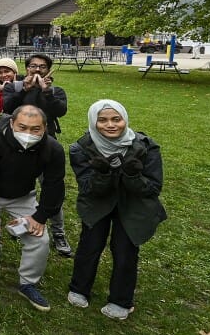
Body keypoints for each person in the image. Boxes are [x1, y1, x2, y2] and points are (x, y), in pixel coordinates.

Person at [67, 100, 166, 320]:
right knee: (90, 245)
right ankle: (79, 288)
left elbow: (153, 188)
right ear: (94, 122)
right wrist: (102, 174)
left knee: (125, 250)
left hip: (133, 204)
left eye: (116, 119)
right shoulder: (81, 148)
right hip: (97, 204)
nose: (110, 125)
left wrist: (133, 177)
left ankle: (121, 299)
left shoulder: (146, 146)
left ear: (125, 119)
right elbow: (87, 189)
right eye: (102, 120)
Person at [0, 105, 65, 312]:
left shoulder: (53, 149)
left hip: (22, 196)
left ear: (45, 128)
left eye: (35, 129)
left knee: (40, 239)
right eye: (22, 127)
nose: (28, 134)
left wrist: (40, 217)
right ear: (12, 124)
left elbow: (54, 185)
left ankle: (28, 283)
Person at [1, 52, 73, 258]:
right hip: (16, 145)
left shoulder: (56, 91)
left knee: (52, 188)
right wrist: (24, 89)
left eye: (42, 66)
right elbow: (7, 108)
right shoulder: (13, 87)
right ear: (26, 69)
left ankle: (58, 232)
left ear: (48, 70)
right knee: (20, 187)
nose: (37, 70)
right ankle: (22, 223)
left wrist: (47, 92)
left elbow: (60, 111)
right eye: (33, 66)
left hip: (45, 145)